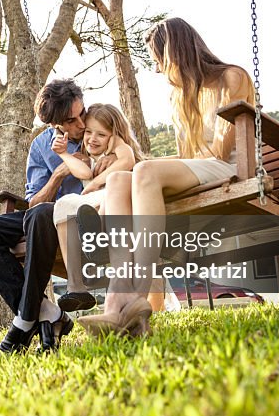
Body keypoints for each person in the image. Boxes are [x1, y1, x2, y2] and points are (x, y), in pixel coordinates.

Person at [77, 17, 256, 338]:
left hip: (229, 168)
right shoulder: (180, 97)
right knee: (120, 180)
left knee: (142, 171)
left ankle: (136, 297)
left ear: (176, 54)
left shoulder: (232, 77)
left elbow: (220, 150)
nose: (158, 70)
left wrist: (148, 169)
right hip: (202, 169)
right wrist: (143, 168)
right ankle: (116, 300)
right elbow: (187, 154)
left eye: (159, 60)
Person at [0, 79, 97, 355]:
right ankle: (47, 310)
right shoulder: (41, 146)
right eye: (71, 121)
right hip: (46, 215)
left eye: (81, 114)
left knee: (43, 213)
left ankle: (24, 321)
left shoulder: (97, 126)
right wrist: (60, 173)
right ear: (54, 124)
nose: (80, 125)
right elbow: (34, 200)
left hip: (87, 215)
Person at [49, 103, 142, 312]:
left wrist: (96, 182)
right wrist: (64, 154)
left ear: (113, 135)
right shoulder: (89, 158)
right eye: (89, 132)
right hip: (94, 202)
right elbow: (82, 173)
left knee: (103, 198)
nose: (92, 138)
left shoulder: (118, 147)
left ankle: (97, 237)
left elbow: (128, 160)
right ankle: (76, 286)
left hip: (121, 200)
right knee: (63, 205)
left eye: (101, 134)